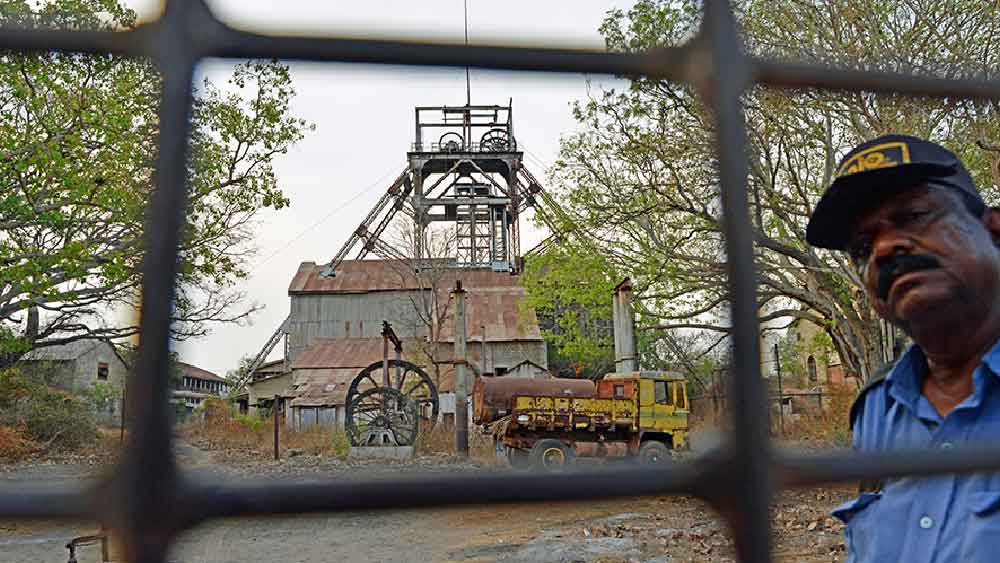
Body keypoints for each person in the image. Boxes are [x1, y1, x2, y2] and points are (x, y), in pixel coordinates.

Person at [805, 133, 1000, 563]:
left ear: (994, 232)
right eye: (861, 249)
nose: (883, 249)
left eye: (914, 216)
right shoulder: (877, 409)